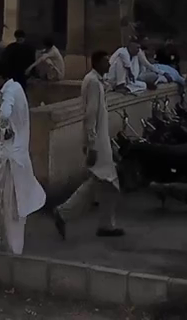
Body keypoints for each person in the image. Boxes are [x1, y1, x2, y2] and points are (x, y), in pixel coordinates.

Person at [50, 50, 124, 240]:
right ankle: (64, 212)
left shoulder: (97, 81)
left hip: (101, 141)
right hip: (97, 143)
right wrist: (91, 145)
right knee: (107, 182)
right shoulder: (92, 82)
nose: (109, 64)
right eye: (106, 61)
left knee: (102, 183)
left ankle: (104, 224)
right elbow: (90, 115)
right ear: (97, 63)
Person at [0, 60, 47, 254]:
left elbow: (5, 113)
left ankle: (12, 250)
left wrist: (4, 126)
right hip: (17, 156)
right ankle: (10, 246)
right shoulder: (17, 88)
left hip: (12, 159)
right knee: (12, 204)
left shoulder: (9, 92)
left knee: (10, 205)